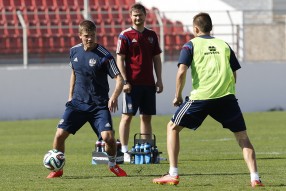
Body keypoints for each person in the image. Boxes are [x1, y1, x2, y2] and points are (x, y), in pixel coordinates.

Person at [153, 12, 264, 188]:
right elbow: (234, 72)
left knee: (172, 127)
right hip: (226, 98)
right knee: (243, 137)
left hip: (201, 98)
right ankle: (255, 177)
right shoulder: (224, 45)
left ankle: (173, 173)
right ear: (210, 28)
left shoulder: (190, 45)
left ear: (195, 28)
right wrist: (228, 90)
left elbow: (182, 71)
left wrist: (178, 95)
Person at [46, 20, 127, 178]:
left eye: (93, 35)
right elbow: (74, 73)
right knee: (59, 135)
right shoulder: (74, 52)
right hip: (77, 104)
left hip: (99, 106)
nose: (90, 39)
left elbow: (120, 79)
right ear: (80, 36)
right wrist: (70, 96)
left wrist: (114, 97)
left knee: (108, 138)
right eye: (86, 36)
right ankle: (58, 169)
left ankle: (112, 165)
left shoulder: (104, 56)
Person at [116, 3, 163, 161]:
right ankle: (124, 151)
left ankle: (146, 151)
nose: (138, 18)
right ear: (131, 16)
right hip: (132, 84)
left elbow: (156, 58)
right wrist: (125, 81)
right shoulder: (125, 35)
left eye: (140, 15)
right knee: (127, 116)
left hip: (149, 84)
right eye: (135, 15)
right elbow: (120, 59)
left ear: (145, 16)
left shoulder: (152, 35)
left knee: (146, 117)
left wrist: (159, 79)